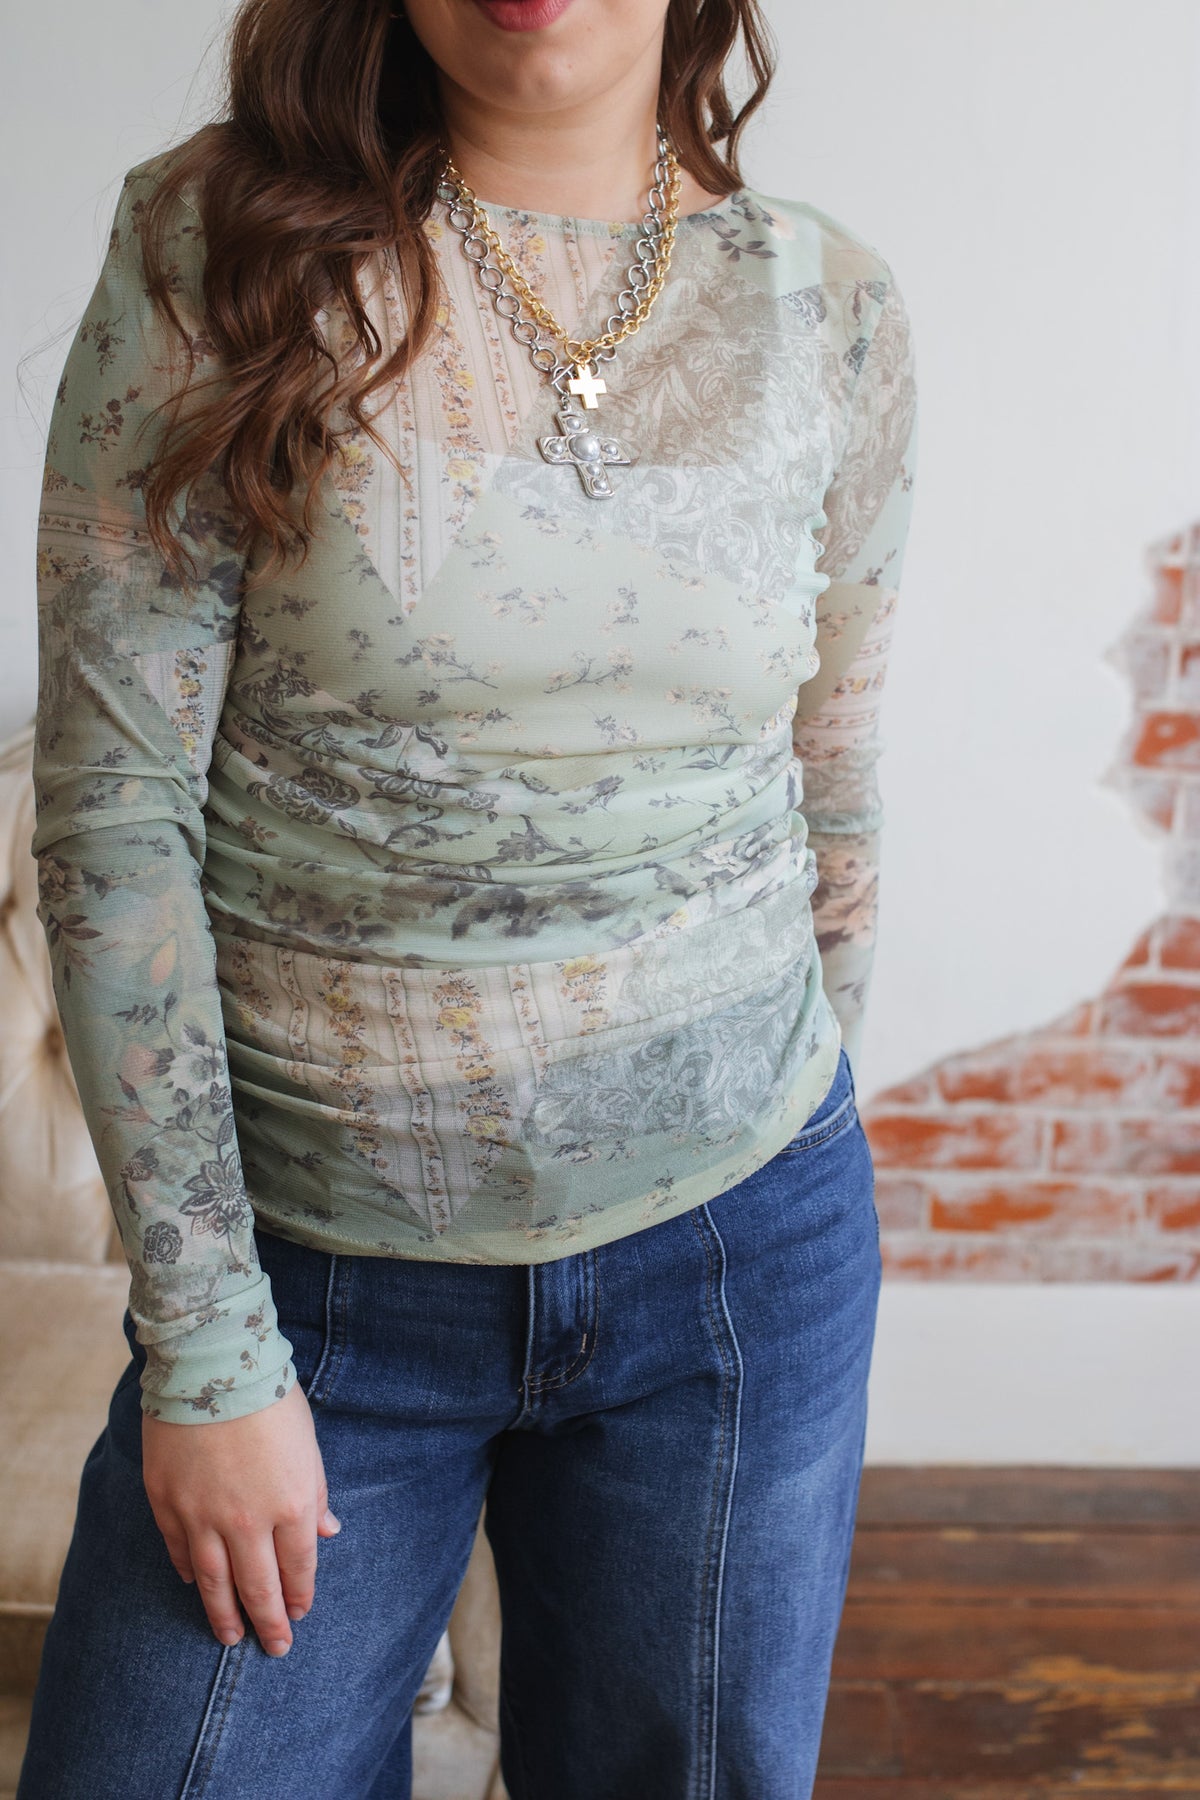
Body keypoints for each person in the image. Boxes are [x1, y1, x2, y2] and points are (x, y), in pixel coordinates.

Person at [17, 0, 918, 1793]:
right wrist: (207, 1349)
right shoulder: (218, 254)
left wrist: (767, 1136)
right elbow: (115, 815)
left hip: (738, 1263)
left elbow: (831, 787)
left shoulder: (834, 306)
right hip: (320, 1290)